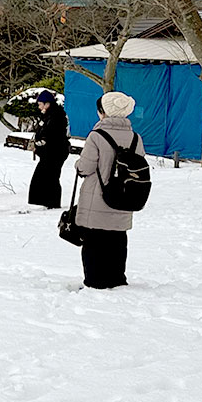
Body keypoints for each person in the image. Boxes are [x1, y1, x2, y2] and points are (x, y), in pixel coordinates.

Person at [73, 92, 143, 289]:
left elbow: (85, 167)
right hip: (124, 196)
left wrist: (78, 165)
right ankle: (116, 279)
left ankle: (95, 281)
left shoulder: (96, 136)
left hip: (98, 196)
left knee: (94, 241)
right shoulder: (135, 138)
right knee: (117, 240)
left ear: (103, 112)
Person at [29, 90, 70, 208]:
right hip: (50, 152)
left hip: (55, 152)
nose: (39, 107)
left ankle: (52, 203)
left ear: (47, 104)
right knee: (44, 177)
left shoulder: (56, 116)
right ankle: (47, 202)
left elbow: (53, 137)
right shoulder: (49, 116)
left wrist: (40, 144)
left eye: (40, 104)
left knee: (51, 177)